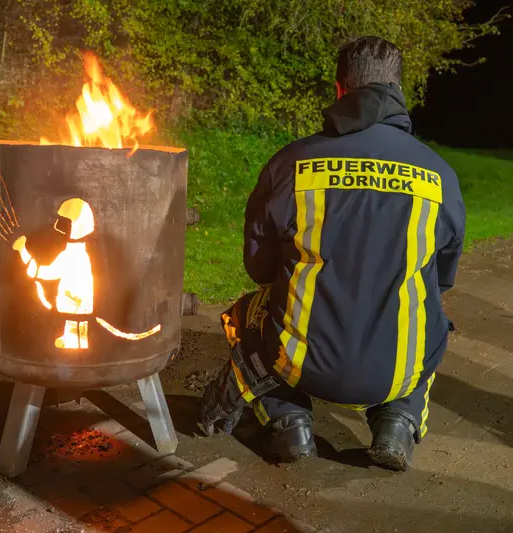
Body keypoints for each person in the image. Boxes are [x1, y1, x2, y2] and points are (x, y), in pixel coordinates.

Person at [199, 36, 465, 471]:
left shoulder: (291, 163)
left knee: (248, 312)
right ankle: (398, 420)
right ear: (397, 90)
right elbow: (442, 280)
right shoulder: (440, 177)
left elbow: (259, 268)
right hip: (395, 369)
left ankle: (290, 424)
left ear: (341, 90)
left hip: (301, 364)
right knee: (432, 318)